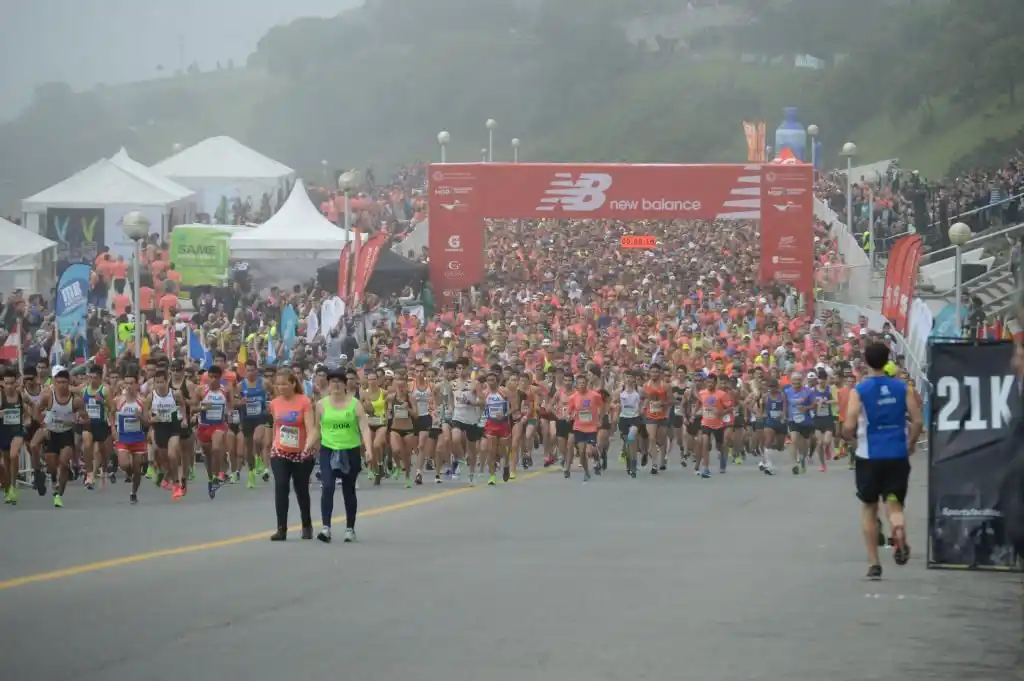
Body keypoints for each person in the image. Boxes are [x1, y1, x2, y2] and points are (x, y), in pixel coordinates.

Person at [843, 342, 923, 580]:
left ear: (866, 362)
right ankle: (897, 529)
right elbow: (918, 421)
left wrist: (851, 440)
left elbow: (849, 424)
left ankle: (874, 563)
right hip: (897, 453)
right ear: (888, 359)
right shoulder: (902, 388)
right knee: (894, 502)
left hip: (869, 455)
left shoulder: (861, 390)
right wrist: (910, 444)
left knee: (869, 507)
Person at [316, 369, 373, 543]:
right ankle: (326, 528)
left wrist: (369, 449)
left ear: (345, 385)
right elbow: (315, 430)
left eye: (339, 381)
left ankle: (350, 528)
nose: (336, 385)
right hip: (328, 450)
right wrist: (307, 446)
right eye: (332, 381)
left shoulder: (355, 404)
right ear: (328, 384)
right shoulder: (321, 405)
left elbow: (364, 427)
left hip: (350, 450)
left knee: (348, 490)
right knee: (327, 486)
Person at [269, 369, 318, 541]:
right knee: (281, 486)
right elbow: (276, 426)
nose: (281, 387)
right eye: (278, 384)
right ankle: (281, 528)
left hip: (301, 453)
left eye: (284, 383)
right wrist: (273, 445)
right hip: (280, 451)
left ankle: (307, 524)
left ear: (293, 384)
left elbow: (311, 428)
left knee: (301, 489)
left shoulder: (304, 401)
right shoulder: (274, 403)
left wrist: (308, 446)